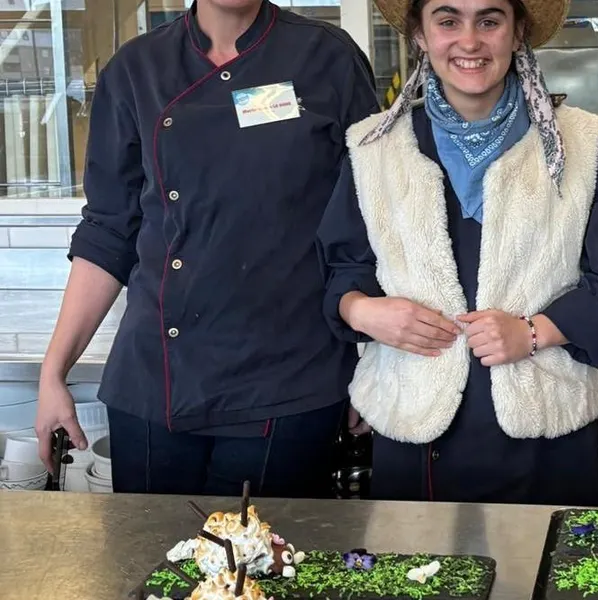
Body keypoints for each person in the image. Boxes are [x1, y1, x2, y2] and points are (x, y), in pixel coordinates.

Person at [34, 0, 380, 497]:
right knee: (152, 567)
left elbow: (369, 220)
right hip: (154, 385)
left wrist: (371, 361)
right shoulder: (137, 69)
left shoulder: (326, 58)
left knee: (269, 568)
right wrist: (54, 372)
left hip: (289, 381)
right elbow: (109, 232)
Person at [317, 0, 598, 505]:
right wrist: (364, 311)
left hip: (545, 426)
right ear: (420, 36)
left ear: (518, 34)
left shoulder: (578, 146)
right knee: (421, 577)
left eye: (489, 21)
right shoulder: (373, 150)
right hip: (414, 425)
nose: (469, 41)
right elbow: (343, 269)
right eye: (448, 21)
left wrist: (534, 332)